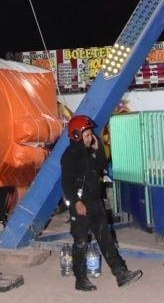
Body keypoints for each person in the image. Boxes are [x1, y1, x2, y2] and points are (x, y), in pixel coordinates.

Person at [60, 114, 142, 292]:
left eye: (91, 134)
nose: (91, 137)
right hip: (81, 205)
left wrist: (98, 150)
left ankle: (121, 273)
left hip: (96, 204)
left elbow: (101, 166)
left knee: (106, 239)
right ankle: (80, 279)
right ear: (76, 136)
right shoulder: (69, 156)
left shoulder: (89, 152)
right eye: (88, 135)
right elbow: (66, 183)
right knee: (81, 242)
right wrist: (76, 202)